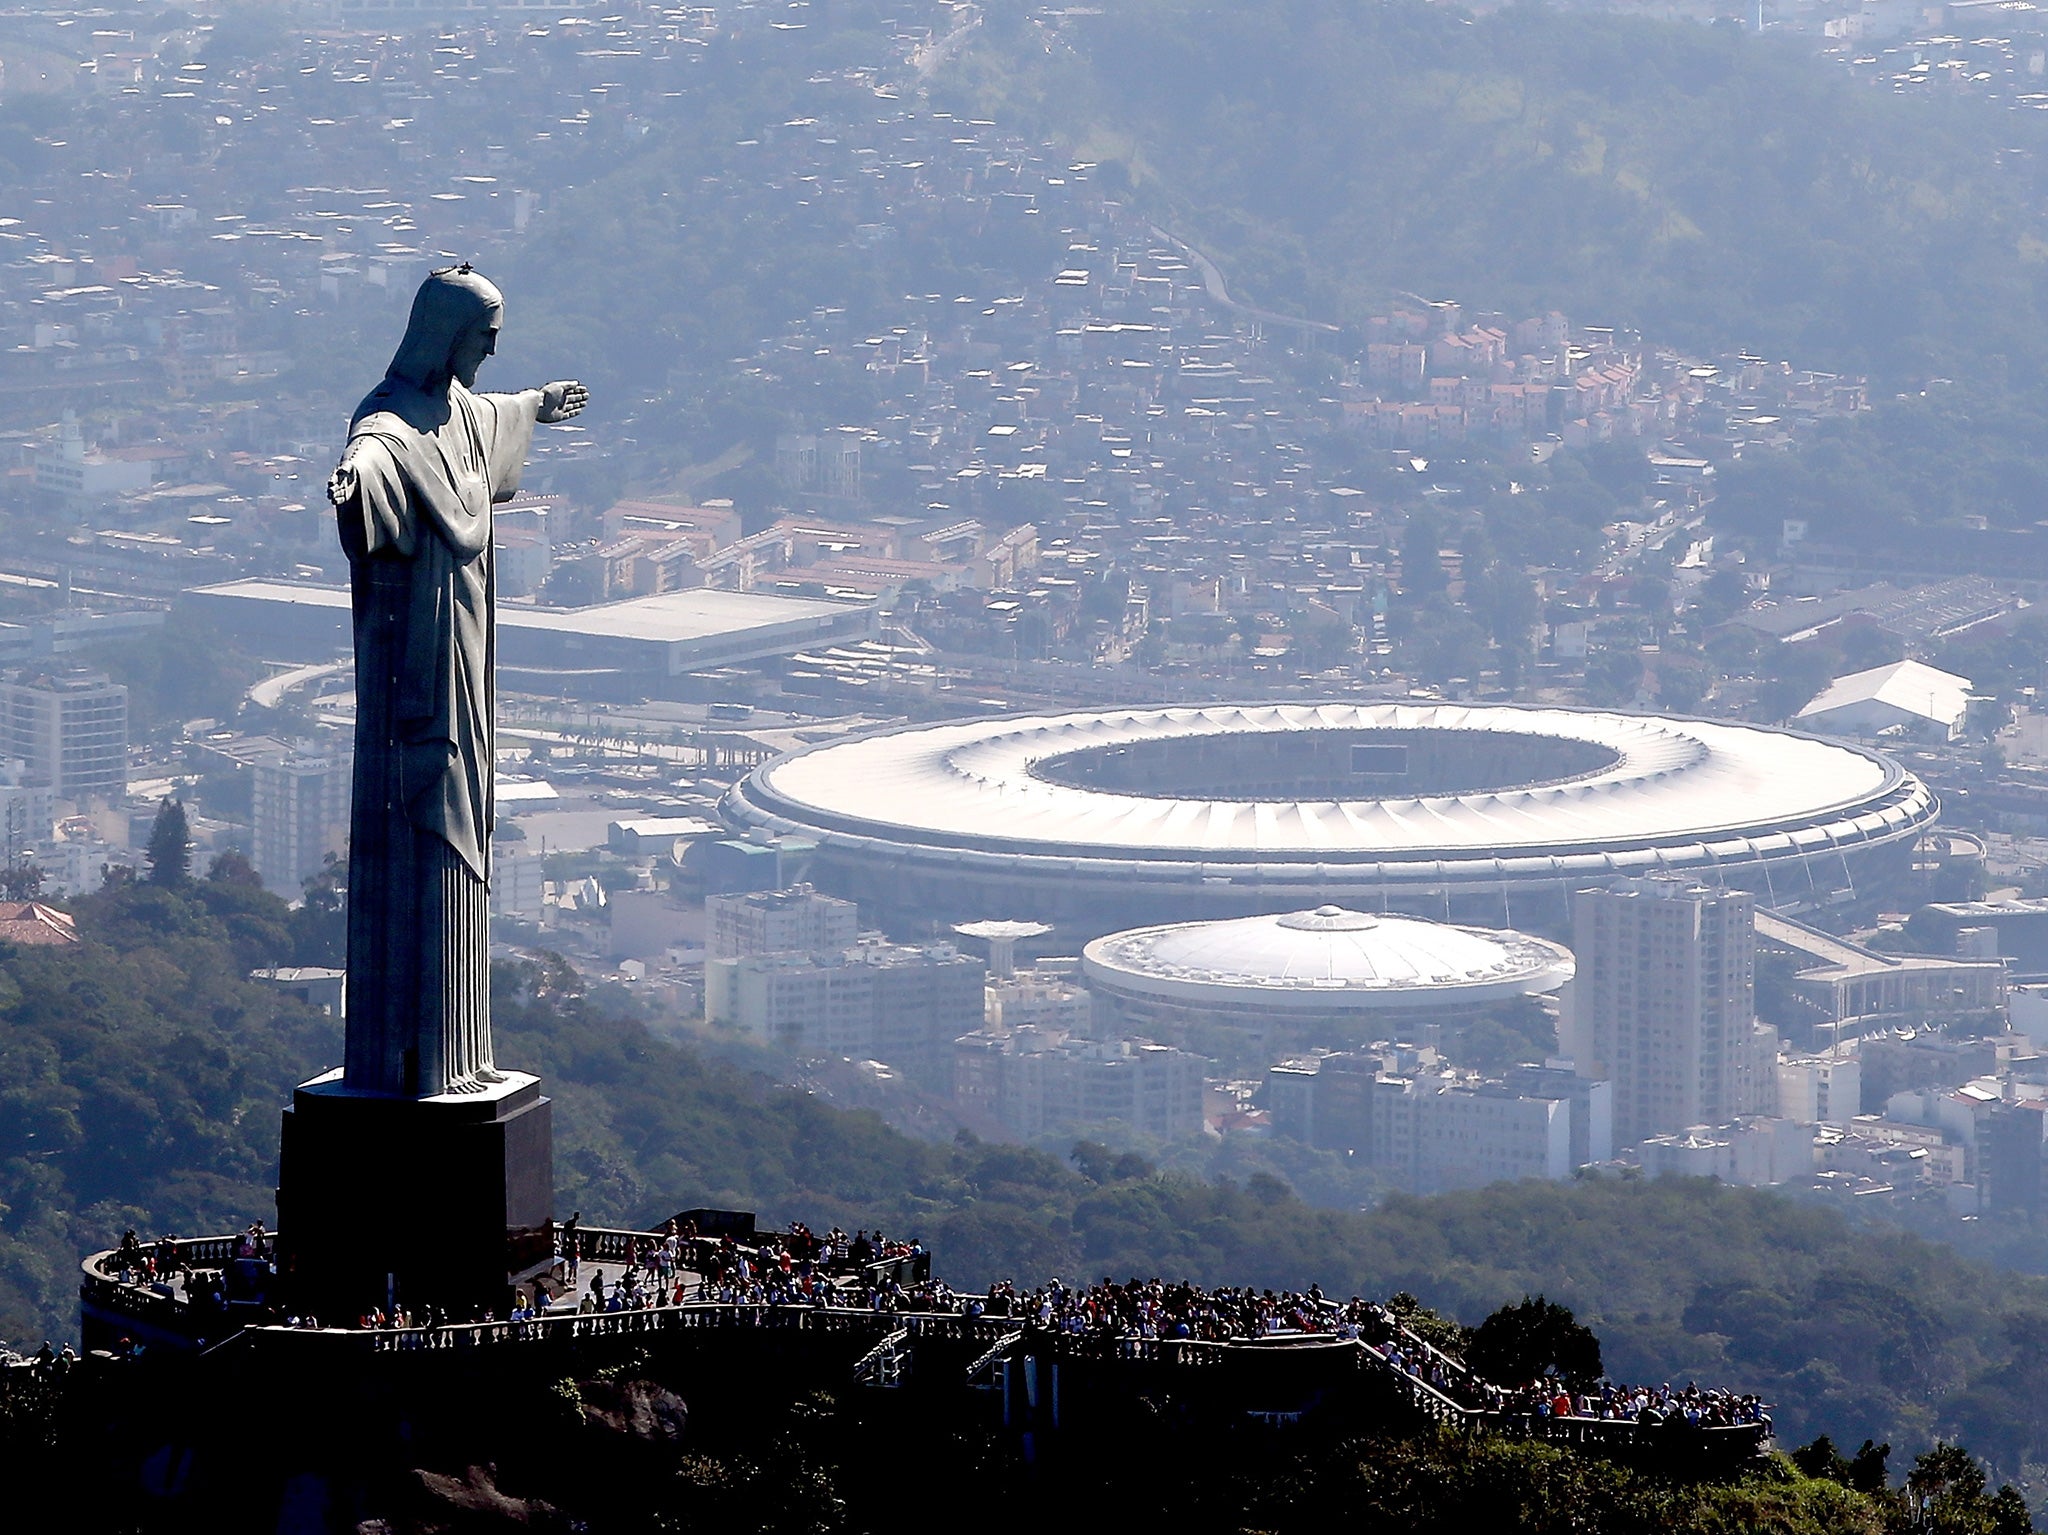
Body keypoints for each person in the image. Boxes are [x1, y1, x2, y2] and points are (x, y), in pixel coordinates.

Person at [327, 264, 586, 1098]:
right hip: (422, 672)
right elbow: (370, 456)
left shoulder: (462, 414)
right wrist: (354, 485)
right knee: (424, 828)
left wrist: (538, 402)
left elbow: (492, 414)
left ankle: (460, 1055)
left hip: (469, 660)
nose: (492, 348)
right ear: (445, 334)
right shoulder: (393, 427)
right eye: (484, 335)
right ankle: (419, 1060)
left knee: (464, 817)